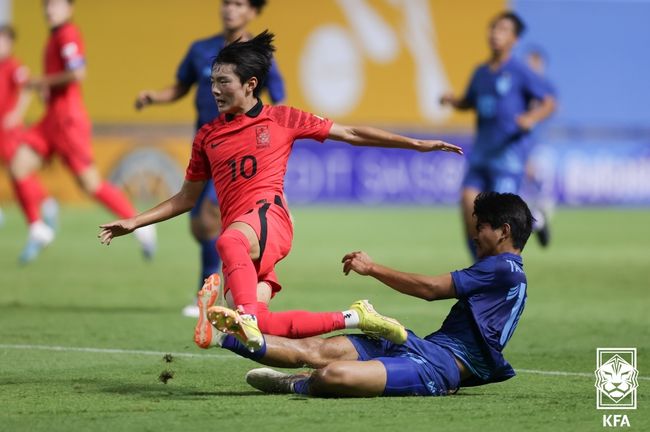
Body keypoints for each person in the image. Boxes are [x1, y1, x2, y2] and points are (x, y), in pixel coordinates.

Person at [98, 31, 463, 351]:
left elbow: (351, 133)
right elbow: (186, 198)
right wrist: (135, 222)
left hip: (269, 218)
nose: (214, 89)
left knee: (227, 243)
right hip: (247, 232)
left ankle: (241, 317)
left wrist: (416, 144)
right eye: (212, 81)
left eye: (223, 81)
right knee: (260, 324)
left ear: (250, 85)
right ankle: (356, 317)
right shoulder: (207, 136)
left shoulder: (282, 119)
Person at [206, 192, 533, 398]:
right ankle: (223, 336)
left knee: (332, 373)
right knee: (317, 349)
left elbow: (431, 290)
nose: (474, 234)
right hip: (417, 344)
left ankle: (298, 382)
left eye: (482, 227)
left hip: (438, 367)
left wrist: (372, 268)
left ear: (504, 231)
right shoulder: (503, 271)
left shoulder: (504, 267)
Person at [134, 0, 285, 318]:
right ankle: (231, 288)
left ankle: (216, 291)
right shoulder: (201, 49)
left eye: (239, 4)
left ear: (253, 12)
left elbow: (279, 101)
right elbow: (180, 87)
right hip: (206, 149)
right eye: (226, 3)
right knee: (200, 226)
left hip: (241, 153)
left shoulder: (258, 56)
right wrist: (153, 97)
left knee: (210, 216)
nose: (230, 9)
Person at [8, 0, 156, 263]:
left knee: (91, 184)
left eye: (55, 4)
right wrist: (47, 88)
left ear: (69, 8)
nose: (49, 9)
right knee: (18, 165)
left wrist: (42, 81)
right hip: (50, 119)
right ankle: (38, 228)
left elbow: (77, 72)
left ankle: (139, 223)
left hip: (68, 122)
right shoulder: (54, 37)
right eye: (46, 5)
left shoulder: (68, 34)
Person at [440, 11, 555, 260]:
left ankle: (534, 221)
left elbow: (549, 102)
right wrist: (453, 101)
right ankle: (482, 266)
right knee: (470, 207)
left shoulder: (520, 71)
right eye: (493, 28)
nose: (495, 34)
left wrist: (530, 119)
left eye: (503, 30)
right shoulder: (481, 72)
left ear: (514, 39)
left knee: (501, 220)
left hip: (507, 157)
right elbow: (469, 102)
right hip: (481, 154)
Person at [0, 24, 57, 231]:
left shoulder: (14, 66)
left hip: (9, 130)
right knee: (17, 170)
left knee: (19, 169)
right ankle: (44, 209)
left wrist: (16, 114)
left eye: (3, 41)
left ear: (10, 44)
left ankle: (45, 203)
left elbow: (27, 89)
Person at [521, 46, 556, 247]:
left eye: (534, 64)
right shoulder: (520, 88)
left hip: (538, 147)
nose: (530, 68)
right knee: (516, 196)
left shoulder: (545, 89)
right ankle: (538, 221)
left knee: (540, 190)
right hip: (521, 147)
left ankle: (540, 219)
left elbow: (553, 108)